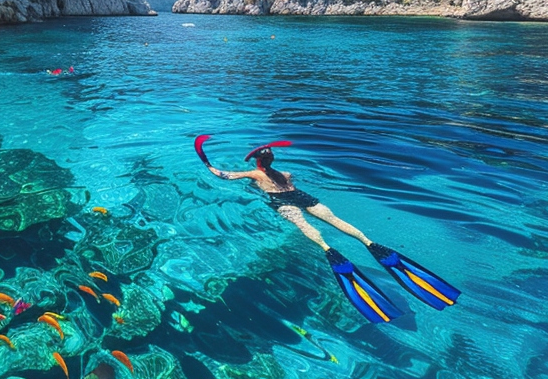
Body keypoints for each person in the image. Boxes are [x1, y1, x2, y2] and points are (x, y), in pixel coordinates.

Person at [195, 136, 460, 325]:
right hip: (301, 195)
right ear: (271, 158)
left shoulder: (255, 175)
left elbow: (224, 175)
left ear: (257, 162)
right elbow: (285, 182)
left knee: (302, 225)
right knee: (334, 219)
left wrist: (205, 161)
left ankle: (326, 249)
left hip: (282, 201)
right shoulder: (286, 174)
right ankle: (367, 242)